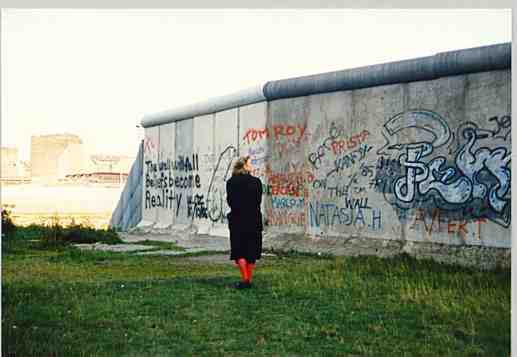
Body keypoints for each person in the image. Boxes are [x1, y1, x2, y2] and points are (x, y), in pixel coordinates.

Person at [226, 156, 263, 289]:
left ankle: (245, 279)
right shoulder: (257, 182)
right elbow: (258, 201)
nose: (252, 165)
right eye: (250, 163)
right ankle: (248, 279)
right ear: (245, 166)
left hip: (237, 219)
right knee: (252, 251)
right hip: (254, 219)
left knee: (239, 250)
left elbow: (230, 201)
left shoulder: (231, 182)